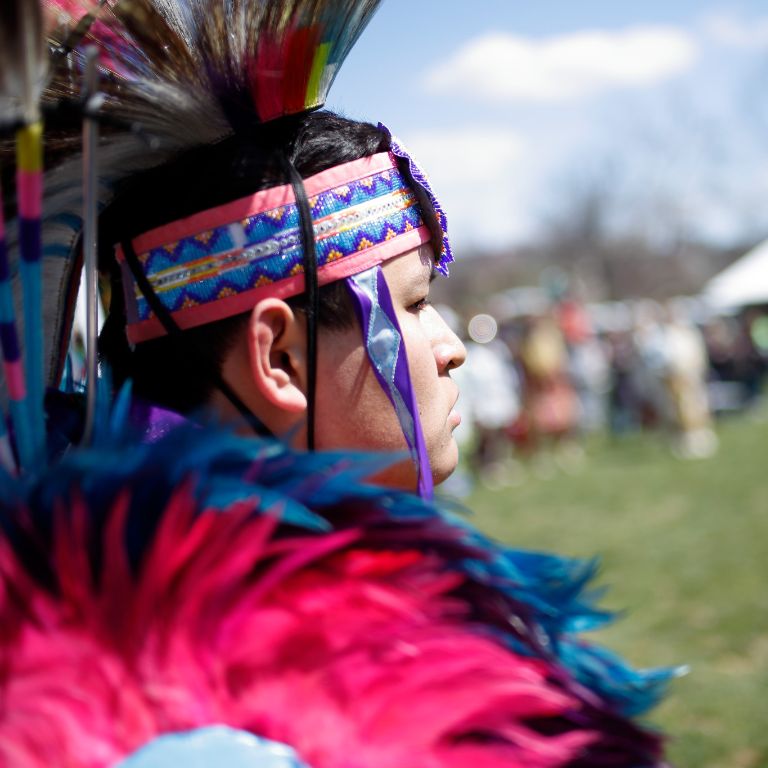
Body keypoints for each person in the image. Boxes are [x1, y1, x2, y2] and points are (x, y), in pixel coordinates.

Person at [0, 1, 673, 766]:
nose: (451, 349)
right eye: (414, 307)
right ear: (278, 360)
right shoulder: (200, 724)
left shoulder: (140, 593)